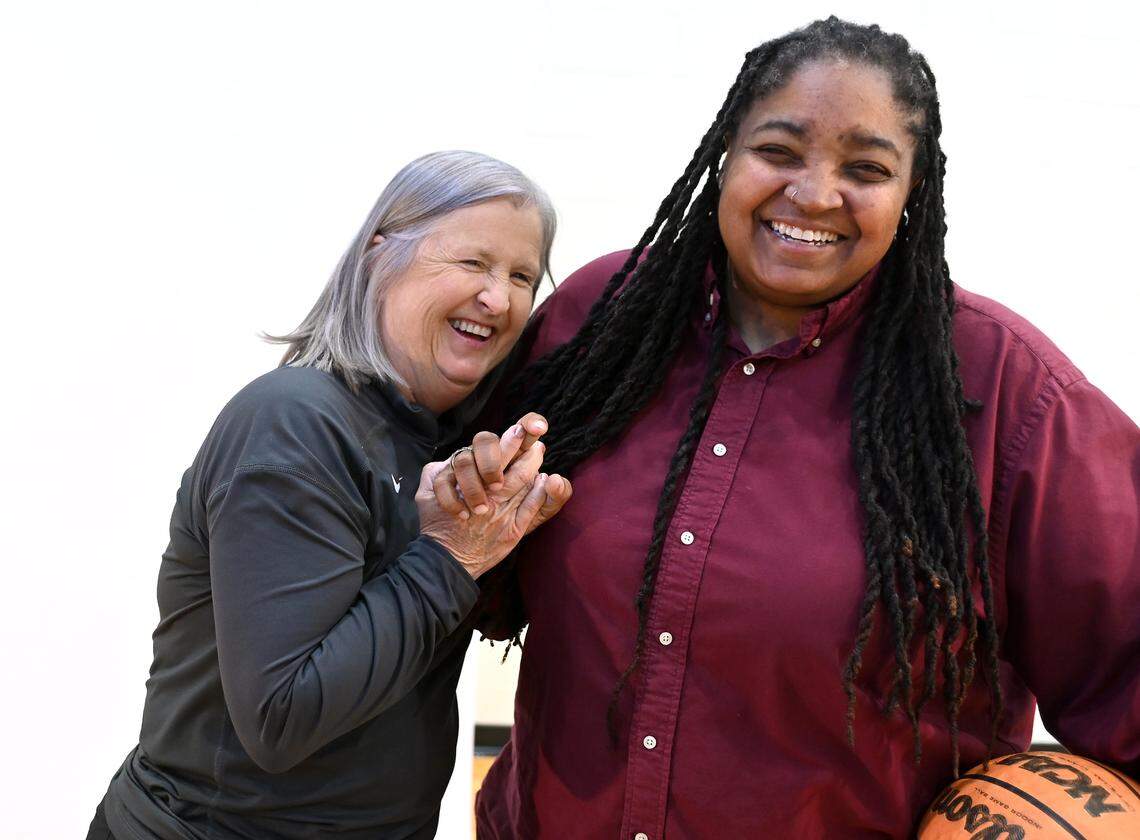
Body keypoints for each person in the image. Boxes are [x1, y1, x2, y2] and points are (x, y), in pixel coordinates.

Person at [463, 18, 1140, 838]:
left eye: (866, 168)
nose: (815, 193)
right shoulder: (598, 323)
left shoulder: (1009, 396)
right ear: (726, 157)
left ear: (912, 192)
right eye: (779, 151)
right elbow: (486, 583)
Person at [87, 150, 572, 840]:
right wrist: (451, 556)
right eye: (472, 263)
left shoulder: (443, 442)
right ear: (380, 254)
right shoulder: (295, 422)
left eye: (522, 275)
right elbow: (283, 718)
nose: (498, 298)